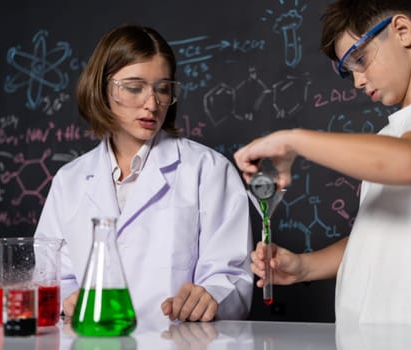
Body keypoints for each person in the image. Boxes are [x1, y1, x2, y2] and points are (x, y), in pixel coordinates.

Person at [234, 0, 411, 325]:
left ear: (402, 31)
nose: (357, 81)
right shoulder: (390, 133)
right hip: (365, 330)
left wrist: (293, 140)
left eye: (361, 59)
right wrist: (304, 266)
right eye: (349, 71)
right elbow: (378, 234)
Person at [34, 24, 253, 324]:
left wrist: (210, 296)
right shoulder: (69, 180)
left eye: (163, 89)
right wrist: (68, 301)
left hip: (179, 342)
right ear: (102, 88)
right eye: (135, 88)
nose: (152, 104)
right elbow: (50, 276)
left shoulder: (208, 170)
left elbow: (231, 277)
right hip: (94, 341)